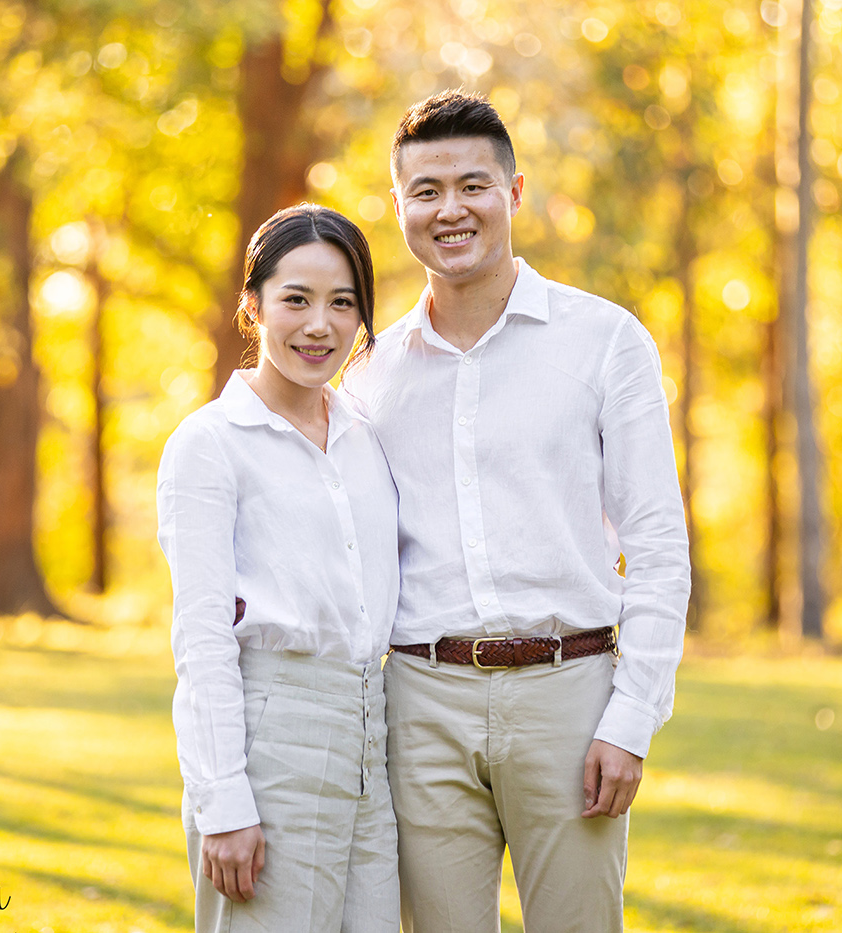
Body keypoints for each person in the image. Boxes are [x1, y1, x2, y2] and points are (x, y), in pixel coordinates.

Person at [343, 91, 691, 932]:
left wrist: (632, 717)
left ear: (515, 192)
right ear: (397, 207)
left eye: (473, 185)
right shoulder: (371, 374)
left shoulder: (605, 341)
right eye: (425, 190)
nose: (450, 209)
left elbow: (656, 541)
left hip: (569, 696)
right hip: (422, 701)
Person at [157, 204, 400, 933]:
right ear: (253, 304)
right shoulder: (210, 444)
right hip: (272, 742)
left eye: (343, 302)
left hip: (371, 740)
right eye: (296, 298)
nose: (320, 324)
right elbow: (201, 640)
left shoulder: (364, 436)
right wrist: (224, 801)